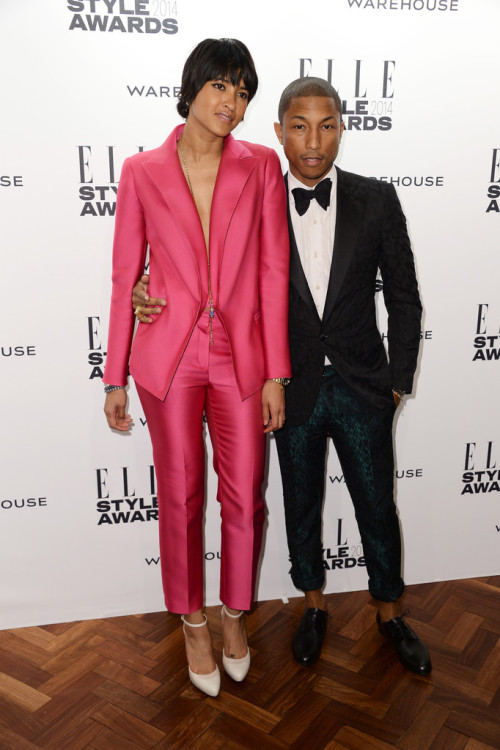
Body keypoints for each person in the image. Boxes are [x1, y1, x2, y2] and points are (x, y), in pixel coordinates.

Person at [132, 76, 432, 676]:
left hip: (363, 385)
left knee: (377, 504)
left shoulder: (377, 199)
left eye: (326, 125)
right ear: (278, 132)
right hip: (286, 385)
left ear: (342, 129)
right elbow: (207, 267)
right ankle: (313, 605)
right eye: (299, 126)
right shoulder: (256, 194)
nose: (313, 140)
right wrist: (149, 289)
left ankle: (390, 612)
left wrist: (397, 382)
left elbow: (404, 295)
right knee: (300, 504)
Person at [103, 38, 291, 698]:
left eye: (243, 92)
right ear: (193, 87)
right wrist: (114, 374)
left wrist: (276, 373)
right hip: (169, 357)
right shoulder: (141, 170)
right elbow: (129, 273)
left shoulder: (263, 166)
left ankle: (234, 616)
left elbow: (272, 272)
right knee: (179, 497)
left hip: (239, 356)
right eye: (222, 86)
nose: (232, 102)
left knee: (245, 497)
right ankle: (191, 621)